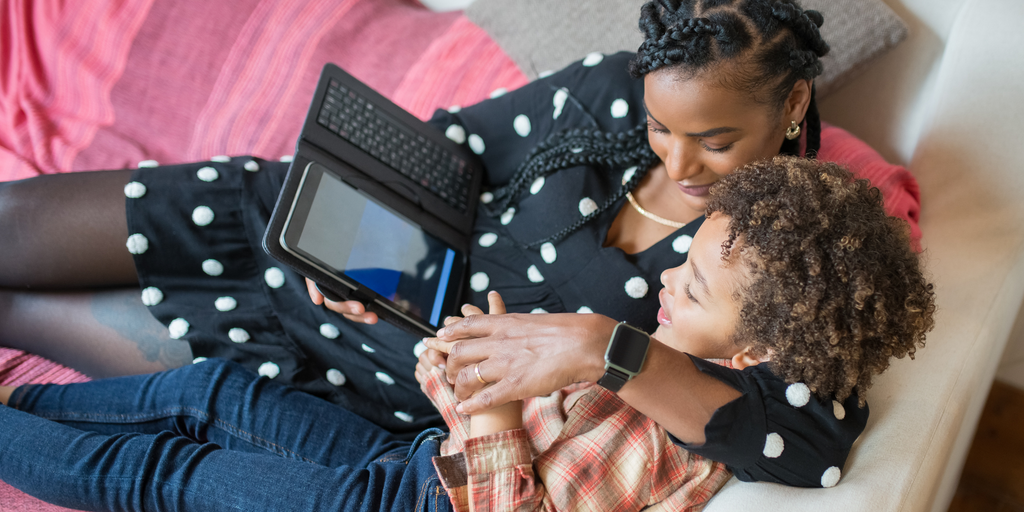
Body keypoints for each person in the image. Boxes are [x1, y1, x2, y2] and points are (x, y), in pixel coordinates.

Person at [0, 0, 916, 441]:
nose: (677, 163)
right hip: (369, 256)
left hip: (401, 369)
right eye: (660, 128)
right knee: (13, 224)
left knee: (17, 311)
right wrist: (355, 242)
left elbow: (810, 436)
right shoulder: (605, 87)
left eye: (716, 142)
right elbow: (457, 147)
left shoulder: (792, 240)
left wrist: (611, 348)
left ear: (793, 102)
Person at [0, 158, 935, 511]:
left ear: (753, 354)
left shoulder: (670, 449)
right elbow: (478, 427)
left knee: (169, 475)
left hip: (408, 505)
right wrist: (463, 366)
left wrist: (494, 399)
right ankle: (23, 398)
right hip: (411, 464)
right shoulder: (704, 366)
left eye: (687, 287)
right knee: (220, 391)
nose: (664, 285)